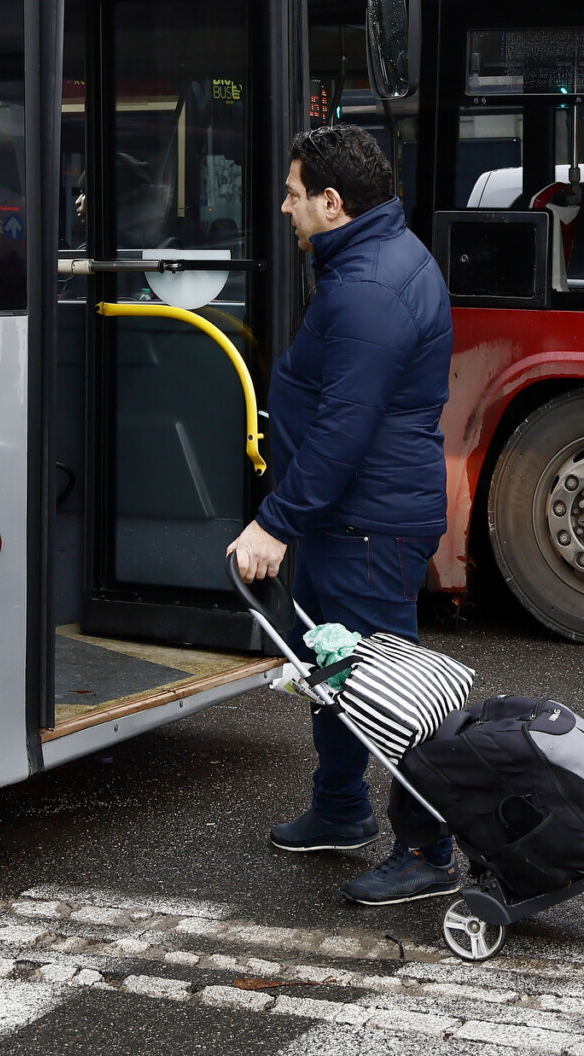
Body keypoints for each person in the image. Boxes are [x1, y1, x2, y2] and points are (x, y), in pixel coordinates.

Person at [226, 122, 457, 907]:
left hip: (365, 521)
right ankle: (340, 808)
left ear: (332, 202)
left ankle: (428, 848)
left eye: (293, 195)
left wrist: (276, 521)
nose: (285, 208)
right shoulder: (373, 259)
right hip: (353, 517)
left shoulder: (368, 289)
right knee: (334, 667)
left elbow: (343, 429)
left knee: (385, 688)